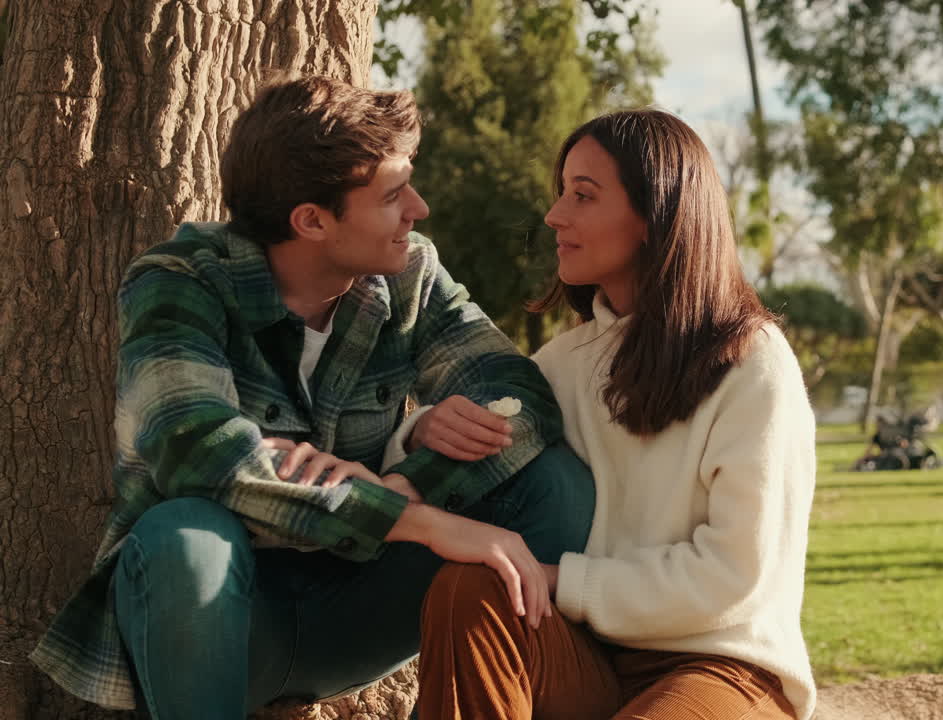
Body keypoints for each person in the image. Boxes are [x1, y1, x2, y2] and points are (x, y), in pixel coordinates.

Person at [29, 75, 594, 719]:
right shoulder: (181, 281)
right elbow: (196, 452)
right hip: (214, 622)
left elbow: (517, 395)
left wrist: (407, 482)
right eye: (392, 194)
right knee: (185, 533)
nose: (418, 208)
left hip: (357, 606)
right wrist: (422, 521)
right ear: (311, 220)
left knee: (555, 483)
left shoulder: (411, 273)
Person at [406, 109, 818, 720]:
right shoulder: (563, 363)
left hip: (722, 666)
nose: (554, 215)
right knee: (472, 587)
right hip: (590, 662)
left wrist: (560, 582)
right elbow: (460, 477)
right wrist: (422, 426)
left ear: (655, 217)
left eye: (583, 195)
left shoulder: (752, 362)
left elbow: (735, 575)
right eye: (561, 192)